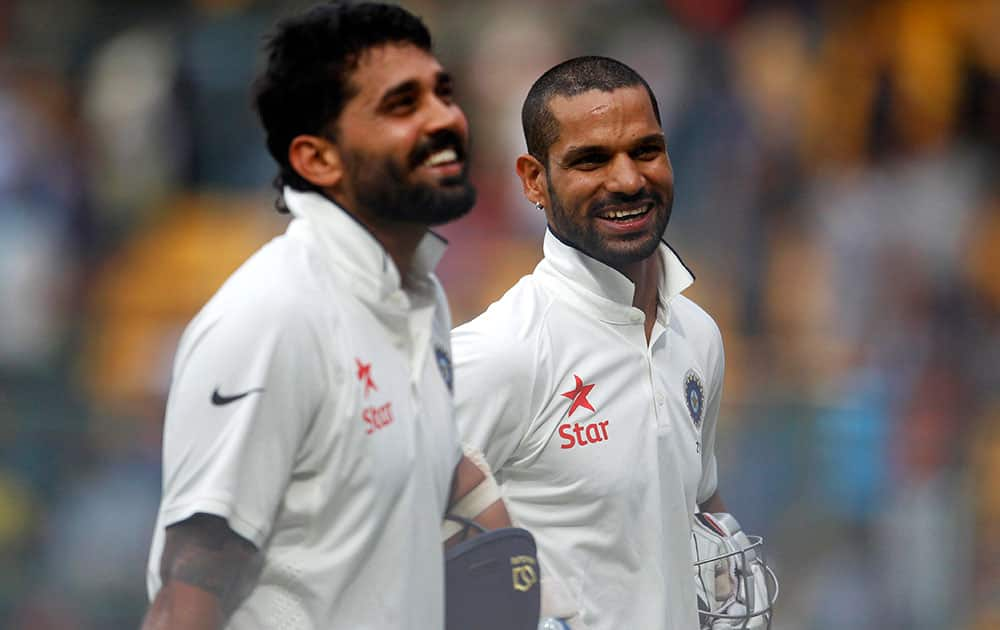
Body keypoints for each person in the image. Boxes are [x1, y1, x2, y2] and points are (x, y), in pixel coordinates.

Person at [141, 3, 512, 628]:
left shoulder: (420, 299)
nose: (445, 117)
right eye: (402, 105)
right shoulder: (274, 317)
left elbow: (431, 471)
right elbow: (187, 595)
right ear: (318, 159)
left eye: (441, 94)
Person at [452, 56, 732, 630]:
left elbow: (699, 499)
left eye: (646, 151)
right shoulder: (503, 351)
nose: (628, 179)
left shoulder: (698, 337)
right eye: (591, 160)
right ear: (534, 180)